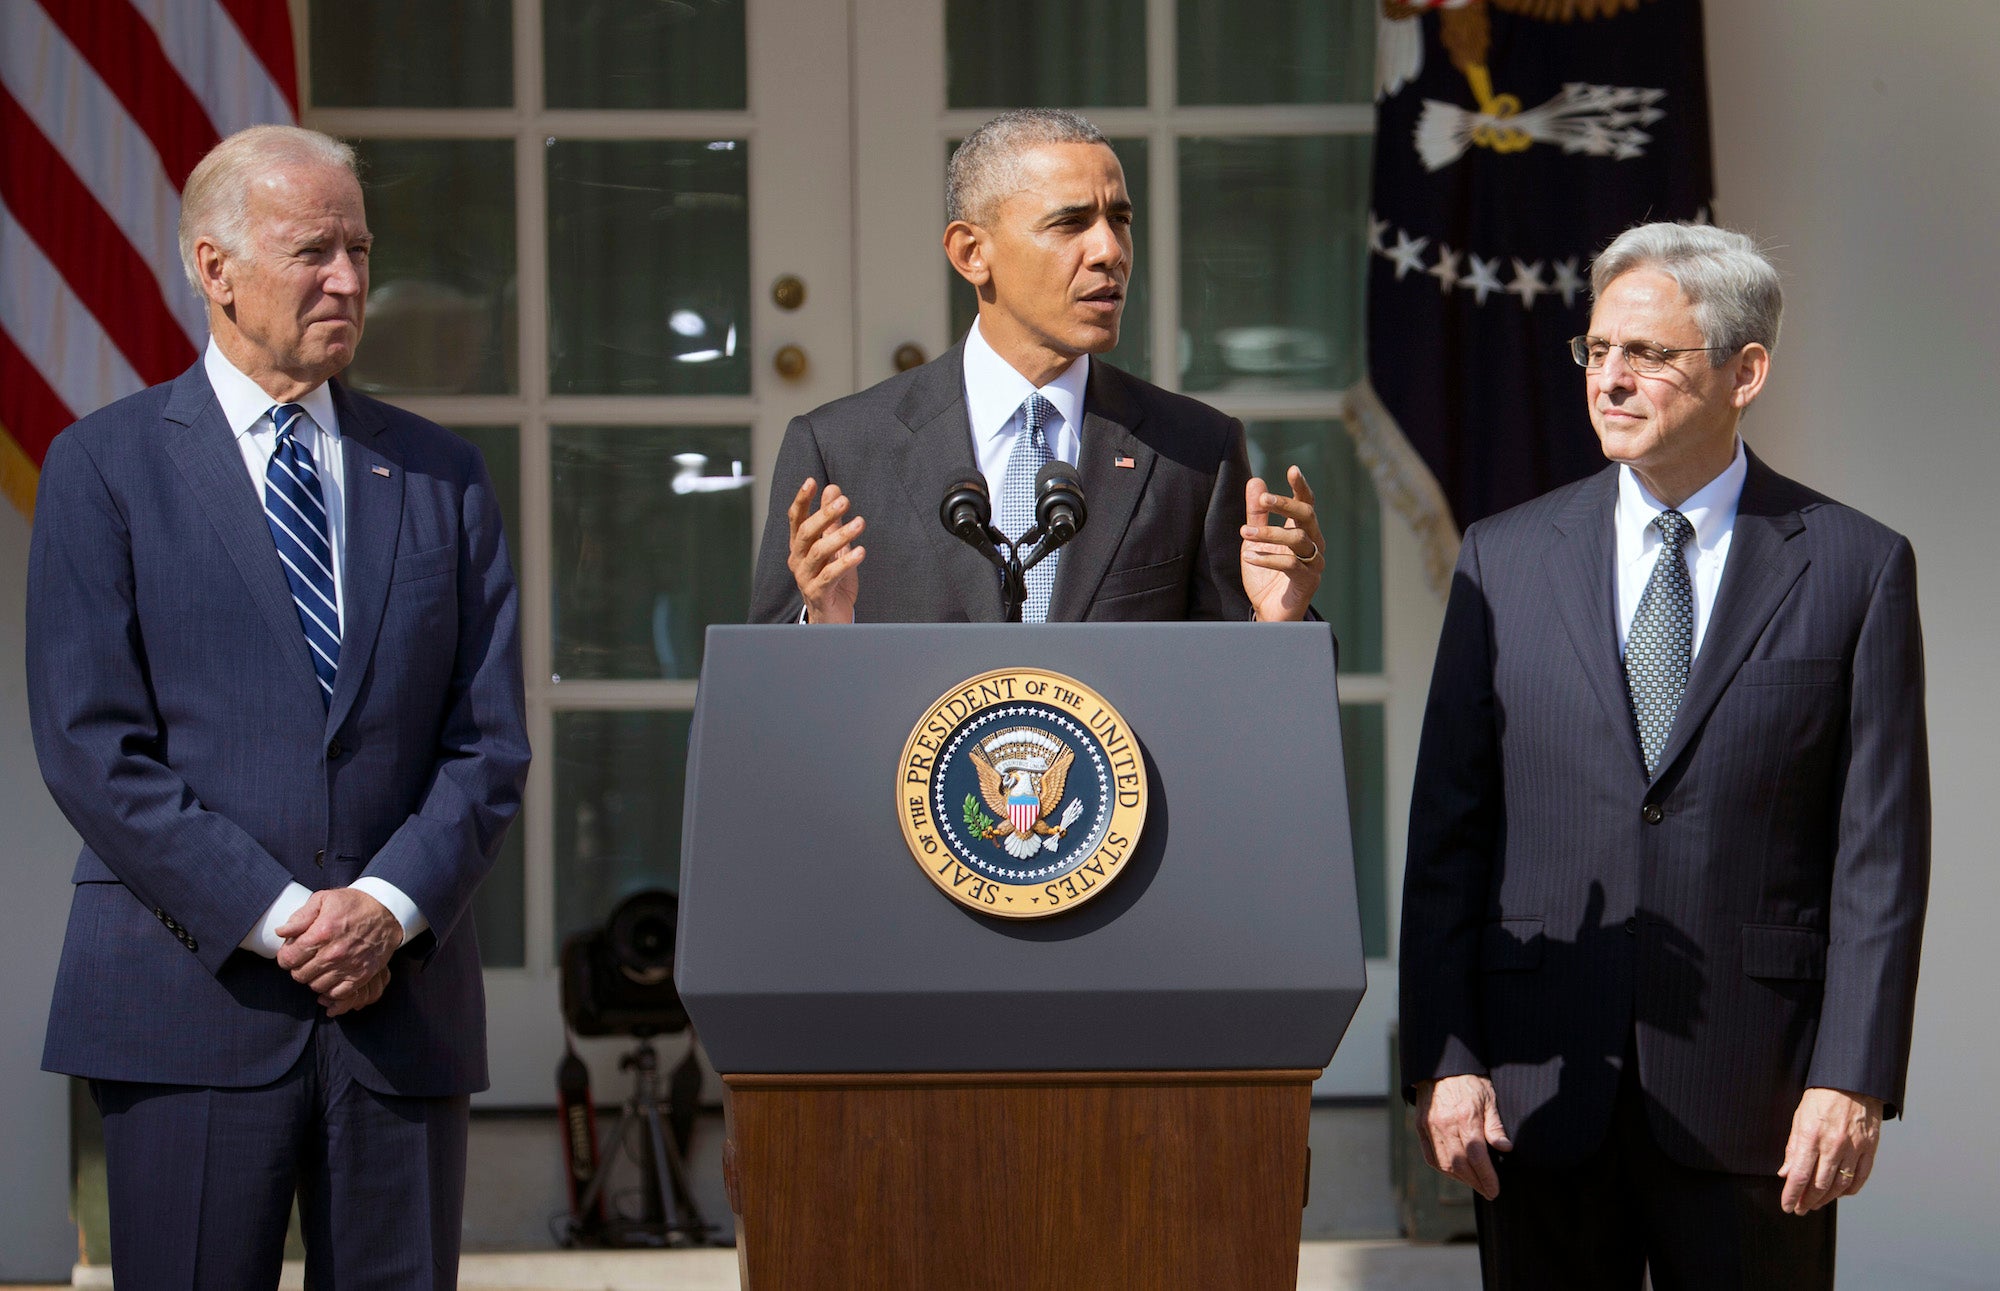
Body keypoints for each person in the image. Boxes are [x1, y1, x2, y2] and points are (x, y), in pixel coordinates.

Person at [27, 125, 529, 1288]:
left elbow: (486, 742)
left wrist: (386, 908)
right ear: (214, 268)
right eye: (313, 251)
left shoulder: (443, 475)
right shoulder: (103, 468)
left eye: (358, 249)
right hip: (188, 1002)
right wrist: (280, 913)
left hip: (398, 1013)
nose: (350, 280)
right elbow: (92, 745)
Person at [1398, 221, 1928, 1289]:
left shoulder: (1853, 567)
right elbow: (1446, 838)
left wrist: (1851, 1077)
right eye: (1595, 350)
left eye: (1647, 354)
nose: (1610, 378)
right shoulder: (1501, 559)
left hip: (1760, 1098)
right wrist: (1443, 1060)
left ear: (1744, 372)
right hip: (1537, 1088)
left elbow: (1877, 854)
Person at [749, 108, 1324, 625]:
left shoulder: (1196, 449)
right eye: (1070, 223)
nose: (1111, 251)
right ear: (972, 254)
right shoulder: (841, 448)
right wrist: (821, 625)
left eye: (1119, 219)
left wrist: (1275, 626)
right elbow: (766, 702)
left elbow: (1238, 704)